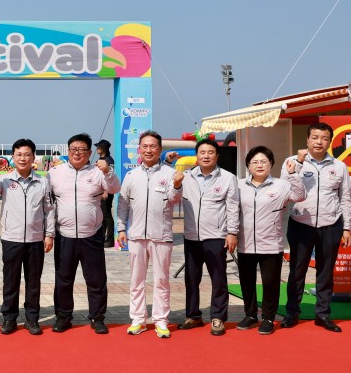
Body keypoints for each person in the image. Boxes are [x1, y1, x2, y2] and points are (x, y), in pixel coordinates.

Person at [280, 122, 351, 332]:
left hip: (331, 224)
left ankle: (323, 314)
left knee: (326, 271)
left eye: (324, 138)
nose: (319, 142)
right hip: (301, 224)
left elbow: (345, 198)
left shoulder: (339, 166)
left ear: (330, 141)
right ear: (307, 139)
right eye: (315, 137)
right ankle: (292, 312)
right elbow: (285, 188)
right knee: (297, 270)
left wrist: (347, 228)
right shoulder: (292, 161)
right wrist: (299, 163)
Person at [226, 146, 304, 335]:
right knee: (247, 281)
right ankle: (250, 315)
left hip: (271, 243)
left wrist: (293, 174)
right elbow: (231, 210)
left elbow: (300, 196)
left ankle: (268, 317)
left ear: (271, 164)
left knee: (270, 283)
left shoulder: (281, 185)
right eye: (255, 162)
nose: (259, 165)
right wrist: (231, 233)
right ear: (248, 165)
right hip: (245, 243)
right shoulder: (238, 185)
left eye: (263, 162)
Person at [47, 133, 120, 334]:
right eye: (73, 149)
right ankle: (63, 316)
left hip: (92, 235)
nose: (77, 153)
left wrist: (108, 172)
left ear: (89, 152)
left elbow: (115, 188)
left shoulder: (98, 172)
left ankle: (97, 317)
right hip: (64, 235)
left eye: (82, 149)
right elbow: (47, 203)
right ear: (68, 151)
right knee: (63, 279)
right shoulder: (55, 173)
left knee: (96, 279)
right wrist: (48, 232)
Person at [0, 138, 54, 336]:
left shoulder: (42, 182)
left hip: (35, 240)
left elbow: (49, 210)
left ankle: (32, 319)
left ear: (33, 157)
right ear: (13, 157)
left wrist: (49, 234)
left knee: (33, 282)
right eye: (19, 154)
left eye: (27, 154)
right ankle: (9, 318)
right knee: (10, 281)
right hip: (11, 239)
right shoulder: (5, 180)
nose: (23, 158)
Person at [117, 130, 183, 338]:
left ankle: (161, 320)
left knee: (161, 280)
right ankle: (138, 319)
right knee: (136, 280)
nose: (148, 150)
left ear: (159, 149)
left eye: (153, 146)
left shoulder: (169, 173)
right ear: (139, 150)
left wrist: (177, 184)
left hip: (161, 235)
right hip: (136, 236)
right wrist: (121, 228)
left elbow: (174, 199)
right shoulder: (131, 176)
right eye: (144, 146)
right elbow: (123, 205)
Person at [177, 138, 238, 336]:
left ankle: (218, 317)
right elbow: (168, 182)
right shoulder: (187, 177)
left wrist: (232, 232)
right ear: (197, 156)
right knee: (191, 278)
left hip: (216, 236)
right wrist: (168, 160)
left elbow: (233, 207)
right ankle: (193, 315)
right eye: (202, 152)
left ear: (217, 156)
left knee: (218, 278)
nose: (206, 156)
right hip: (191, 236)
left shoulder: (228, 178)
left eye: (210, 152)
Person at [94, 139, 116, 247]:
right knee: (101, 215)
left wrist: (106, 191)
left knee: (107, 216)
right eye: (97, 146)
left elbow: (109, 177)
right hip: (100, 191)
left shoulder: (109, 160)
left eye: (99, 146)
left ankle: (110, 239)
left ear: (104, 148)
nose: (97, 148)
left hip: (106, 191)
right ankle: (102, 237)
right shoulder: (100, 159)